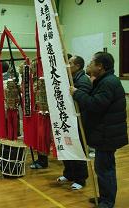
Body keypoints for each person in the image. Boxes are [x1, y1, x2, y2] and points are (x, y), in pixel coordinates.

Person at [70, 52, 128, 208]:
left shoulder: (108, 83)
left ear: (100, 66)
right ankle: (104, 197)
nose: (89, 64)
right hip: (105, 132)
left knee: (105, 169)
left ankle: (107, 202)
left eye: (91, 62)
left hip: (107, 134)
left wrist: (77, 93)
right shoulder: (104, 80)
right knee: (102, 168)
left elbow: (95, 104)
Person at [57, 55, 91, 190]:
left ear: (77, 66)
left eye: (70, 63)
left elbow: (82, 101)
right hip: (68, 119)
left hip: (78, 120)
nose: (67, 64)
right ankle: (69, 174)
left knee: (78, 149)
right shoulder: (68, 78)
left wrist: (73, 93)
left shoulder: (83, 80)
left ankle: (80, 179)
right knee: (67, 147)